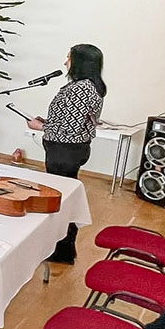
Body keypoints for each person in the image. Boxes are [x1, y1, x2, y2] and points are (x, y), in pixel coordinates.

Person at [28, 44, 107, 265]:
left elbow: (70, 130)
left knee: (60, 199)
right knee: (64, 197)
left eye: (69, 58)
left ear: (80, 62)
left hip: (64, 152)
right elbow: (72, 123)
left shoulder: (80, 89)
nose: (65, 63)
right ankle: (61, 248)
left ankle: (61, 250)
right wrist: (49, 123)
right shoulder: (91, 86)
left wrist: (40, 127)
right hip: (70, 150)